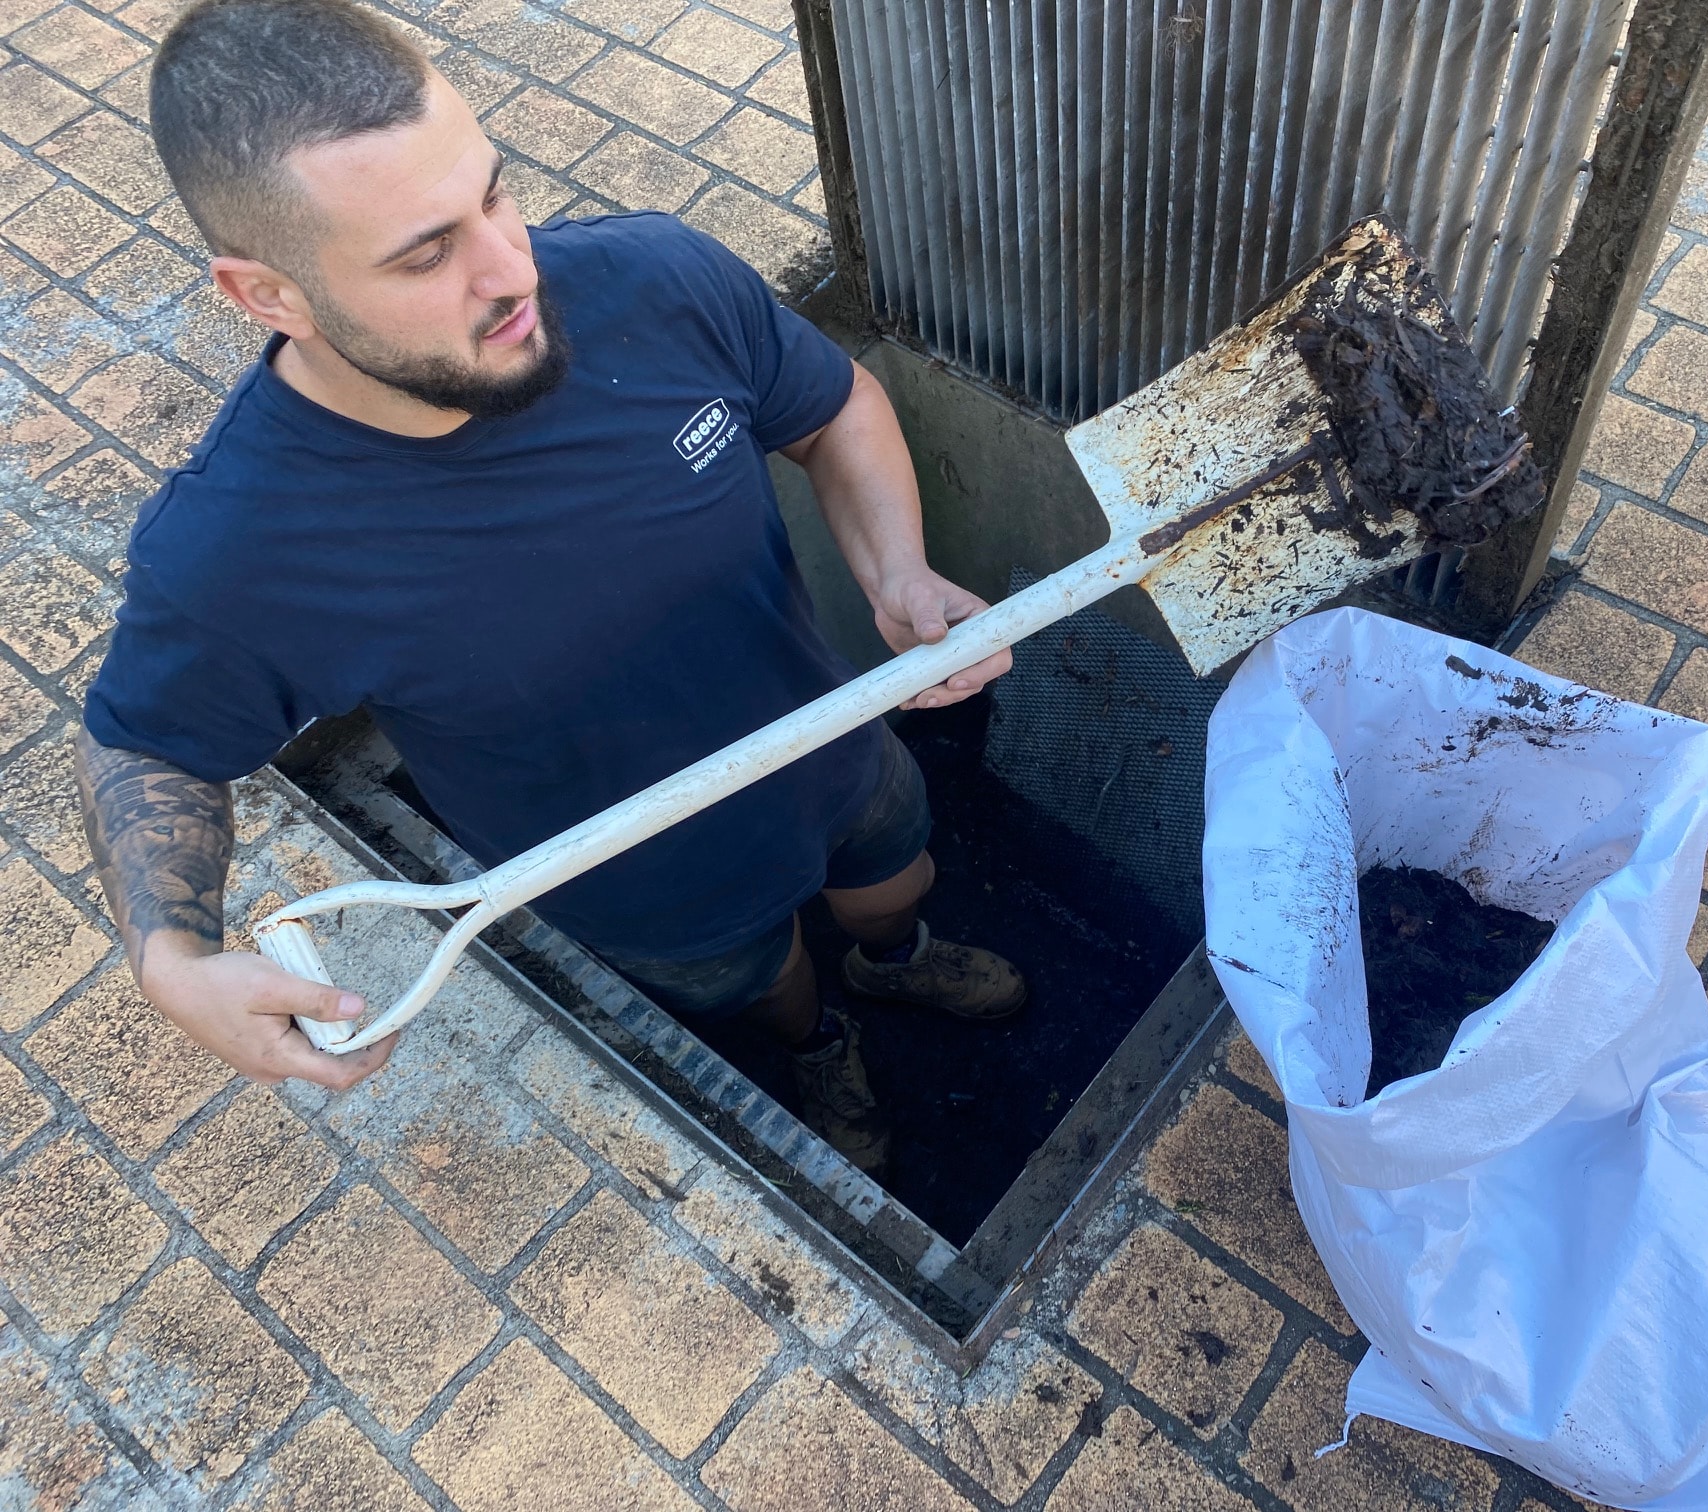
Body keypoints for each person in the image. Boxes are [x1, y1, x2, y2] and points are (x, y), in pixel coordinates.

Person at [74, 0, 1026, 1175]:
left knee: (893, 881)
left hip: (835, 748)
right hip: (642, 882)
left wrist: (897, 572)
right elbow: (146, 744)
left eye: (494, 192)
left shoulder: (658, 279)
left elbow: (834, 408)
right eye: (426, 252)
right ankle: (824, 1042)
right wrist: (170, 956)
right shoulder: (235, 548)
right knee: (767, 987)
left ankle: (894, 960)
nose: (509, 270)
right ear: (268, 296)